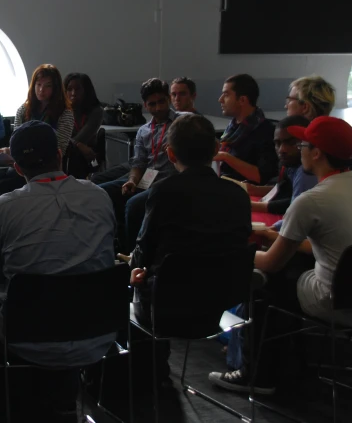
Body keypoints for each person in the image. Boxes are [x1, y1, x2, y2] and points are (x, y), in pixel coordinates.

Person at [0, 120, 116, 421]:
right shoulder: (100, 196)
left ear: (17, 168)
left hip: (24, 335)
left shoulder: (1, 209)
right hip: (97, 331)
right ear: (59, 156)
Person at [210, 117, 352, 394]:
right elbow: (340, 246)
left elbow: (270, 261)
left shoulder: (311, 200)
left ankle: (258, 375)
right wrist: (279, 238)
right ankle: (294, 360)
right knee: (293, 265)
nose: (297, 149)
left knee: (265, 280)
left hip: (334, 302)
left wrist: (236, 251)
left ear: (316, 153)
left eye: (302, 143)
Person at [129, 114, 251, 295]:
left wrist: (135, 265)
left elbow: (145, 248)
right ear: (216, 148)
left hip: (168, 299)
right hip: (222, 297)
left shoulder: (163, 192)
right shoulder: (239, 194)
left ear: (170, 154)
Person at [98, 78, 179, 251]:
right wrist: (133, 181)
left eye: (162, 101)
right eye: (152, 104)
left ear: (169, 99)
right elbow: (139, 163)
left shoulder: (181, 123)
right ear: (144, 105)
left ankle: (134, 254)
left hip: (170, 182)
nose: (158, 108)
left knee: (133, 205)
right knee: (102, 191)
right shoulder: (143, 130)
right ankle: (117, 243)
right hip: (147, 179)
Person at [0, 64, 74, 194]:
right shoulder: (24, 110)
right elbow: (16, 141)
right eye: (38, 84)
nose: (41, 90)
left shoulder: (64, 113)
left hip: (45, 170)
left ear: (56, 88)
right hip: (20, 166)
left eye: (47, 86)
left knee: (2, 187)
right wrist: (8, 150)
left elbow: (59, 148)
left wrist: (21, 153)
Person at [246, 115, 317, 215]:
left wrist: (254, 206)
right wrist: (254, 189)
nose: (282, 149)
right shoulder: (291, 165)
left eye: (291, 142)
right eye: (278, 143)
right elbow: (286, 191)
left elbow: (295, 209)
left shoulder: (305, 172)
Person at [216, 73, 277, 184]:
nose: (220, 99)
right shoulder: (232, 128)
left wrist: (226, 157)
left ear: (242, 100)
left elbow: (262, 176)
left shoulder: (267, 132)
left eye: (226, 95)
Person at [63, 72, 103, 179]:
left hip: (88, 155)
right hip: (70, 152)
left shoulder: (96, 111)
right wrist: (79, 145)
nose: (73, 93)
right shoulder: (62, 111)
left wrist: (76, 143)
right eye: (69, 89)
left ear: (86, 91)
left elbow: (81, 138)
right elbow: (59, 138)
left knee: (74, 155)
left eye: (78, 89)